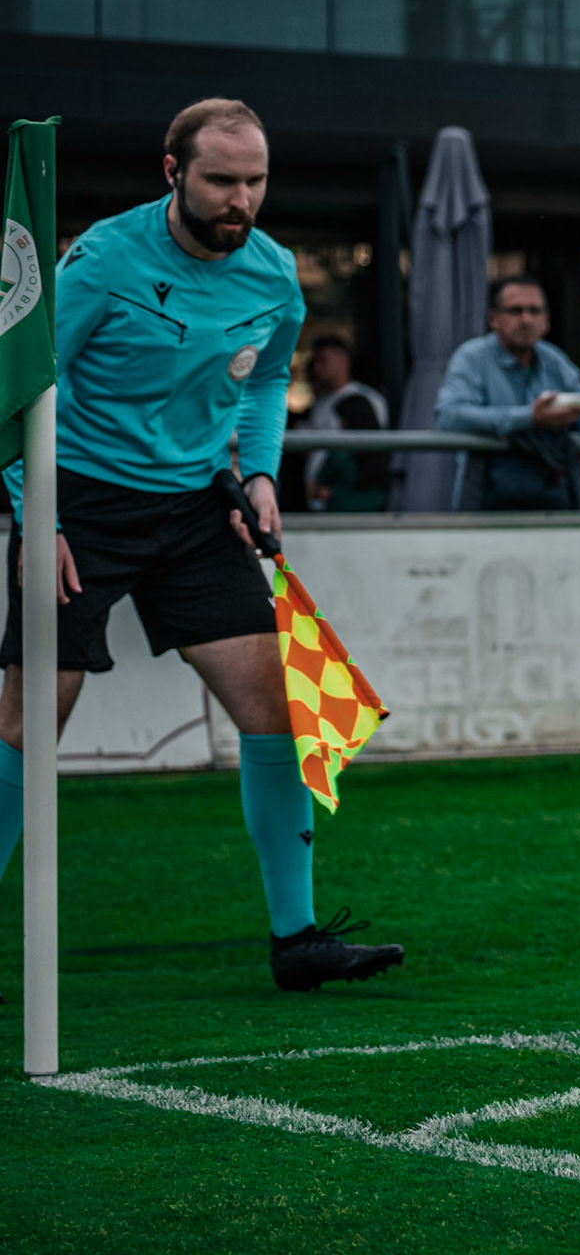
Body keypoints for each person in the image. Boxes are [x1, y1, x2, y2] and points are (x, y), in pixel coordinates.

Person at [0, 99, 404, 991]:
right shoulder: (103, 261)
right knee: (31, 721)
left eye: (255, 181)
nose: (241, 199)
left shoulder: (273, 275)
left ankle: (296, 942)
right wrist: (39, 518)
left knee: (276, 707)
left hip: (193, 510)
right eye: (222, 180)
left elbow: (263, 388)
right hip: (81, 504)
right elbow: (20, 386)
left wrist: (257, 474)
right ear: (173, 172)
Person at [434, 275, 580, 510]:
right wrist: (529, 417)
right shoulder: (472, 358)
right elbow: (447, 417)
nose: (526, 319)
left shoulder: (554, 360)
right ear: (493, 318)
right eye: (515, 311)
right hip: (489, 502)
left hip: (553, 501)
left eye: (534, 310)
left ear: (546, 320)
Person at [302, 335, 390, 512]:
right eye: (315, 361)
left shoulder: (367, 399)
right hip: (320, 502)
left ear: (343, 360)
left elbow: (372, 454)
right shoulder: (320, 402)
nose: (317, 368)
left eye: (323, 361)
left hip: (346, 501)